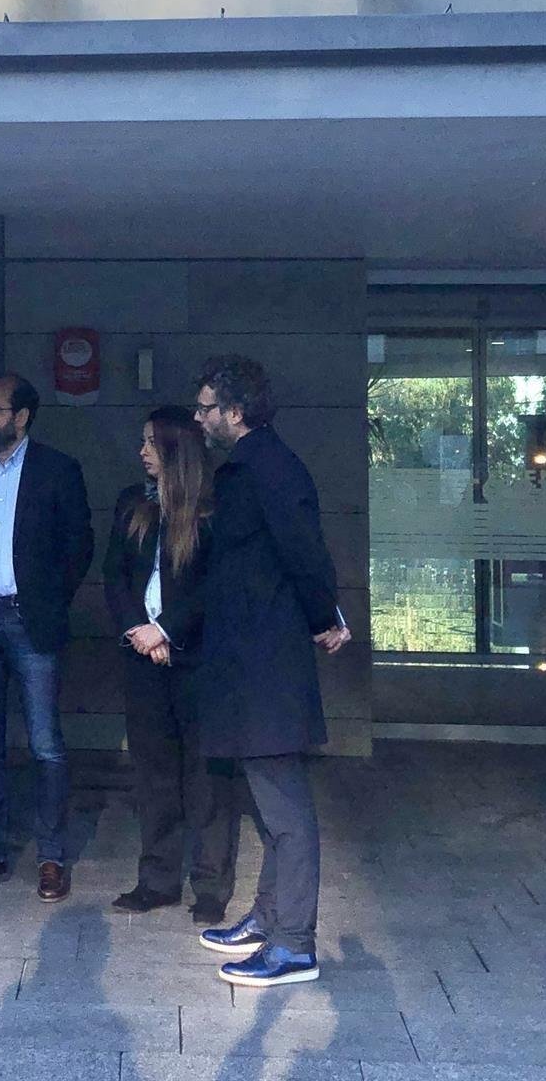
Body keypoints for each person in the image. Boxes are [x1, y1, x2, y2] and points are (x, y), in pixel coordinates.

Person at [191, 355, 350, 988]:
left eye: (206, 408)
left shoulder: (268, 468)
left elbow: (303, 550)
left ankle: (294, 945)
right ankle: (268, 917)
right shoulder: (254, 465)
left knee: (285, 809)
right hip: (252, 660)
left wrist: (325, 615)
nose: (199, 418)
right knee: (269, 803)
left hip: (266, 664)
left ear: (235, 412)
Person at [0, 374, 93, 902]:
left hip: (31, 620)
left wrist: (48, 599)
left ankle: (51, 857)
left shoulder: (57, 470)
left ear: (22, 417)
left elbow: (78, 546)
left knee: (45, 745)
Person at [102, 405, 238, 924]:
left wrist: (167, 629)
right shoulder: (131, 503)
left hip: (198, 659)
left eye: (151, 443)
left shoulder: (212, 509)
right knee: (154, 772)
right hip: (143, 659)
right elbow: (114, 575)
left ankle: (210, 886)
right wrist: (139, 631)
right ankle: (157, 880)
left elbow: (215, 585)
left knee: (205, 777)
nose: (142, 452)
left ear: (176, 450)